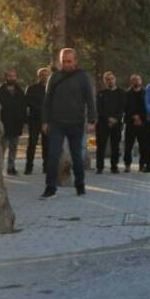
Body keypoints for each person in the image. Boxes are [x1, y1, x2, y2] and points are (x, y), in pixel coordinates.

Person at [41, 48, 97, 199]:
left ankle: (80, 186)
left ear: (76, 61)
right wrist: (45, 121)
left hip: (76, 123)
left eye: (69, 61)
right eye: (63, 61)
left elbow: (90, 100)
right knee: (52, 155)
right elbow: (47, 101)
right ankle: (50, 189)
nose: (66, 64)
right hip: (56, 123)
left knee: (76, 156)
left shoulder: (83, 77)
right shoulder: (54, 77)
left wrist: (92, 120)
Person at [95, 71, 126, 174]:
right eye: (107, 79)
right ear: (105, 81)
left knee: (115, 146)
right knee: (101, 146)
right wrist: (109, 119)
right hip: (102, 123)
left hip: (116, 123)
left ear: (115, 79)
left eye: (111, 79)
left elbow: (122, 108)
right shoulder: (101, 93)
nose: (110, 81)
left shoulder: (121, 92)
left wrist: (115, 119)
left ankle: (114, 167)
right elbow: (99, 109)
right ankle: (99, 167)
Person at [0, 69, 26, 176]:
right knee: (1, 148)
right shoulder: (0, 91)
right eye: (9, 76)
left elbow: (23, 106)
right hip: (3, 123)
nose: (11, 78)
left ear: (16, 77)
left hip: (16, 124)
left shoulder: (20, 91)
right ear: (6, 77)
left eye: (13, 76)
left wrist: (23, 120)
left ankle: (11, 167)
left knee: (13, 148)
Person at [24, 68, 48, 174]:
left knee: (47, 144)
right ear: (39, 76)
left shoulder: (51, 89)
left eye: (46, 75)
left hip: (47, 121)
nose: (44, 77)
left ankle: (46, 167)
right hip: (34, 120)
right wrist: (40, 108)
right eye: (42, 75)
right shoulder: (32, 88)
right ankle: (29, 167)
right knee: (32, 144)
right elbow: (27, 102)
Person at [123, 74, 147, 172]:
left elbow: (147, 106)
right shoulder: (127, 94)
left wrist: (140, 118)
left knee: (143, 146)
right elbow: (125, 107)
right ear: (131, 82)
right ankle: (127, 165)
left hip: (143, 123)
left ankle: (142, 165)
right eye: (134, 80)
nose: (136, 81)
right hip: (130, 123)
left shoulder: (146, 93)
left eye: (137, 80)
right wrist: (134, 117)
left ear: (141, 81)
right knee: (128, 146)